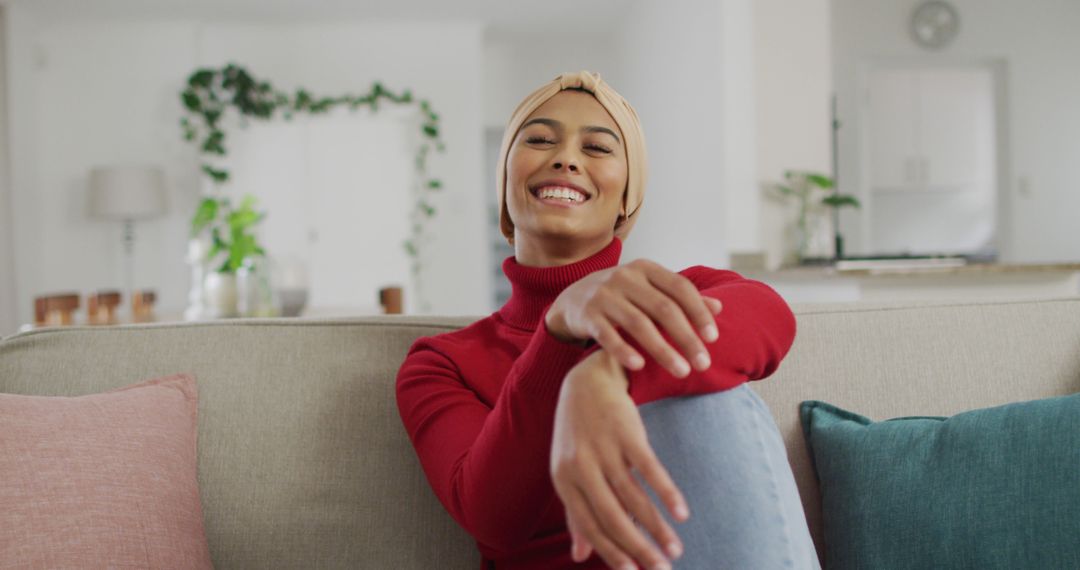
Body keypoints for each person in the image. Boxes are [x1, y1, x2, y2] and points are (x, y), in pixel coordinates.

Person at [396, 71, 818, 570]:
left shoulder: (680, 293)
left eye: (597, 148)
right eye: (539, 139)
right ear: (505, 184)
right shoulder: (441, 364)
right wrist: (557, 337)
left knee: (707, 391)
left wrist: (605, 374)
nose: (566, 157)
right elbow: (495, 521)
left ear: (626, 199)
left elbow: (771, 317)